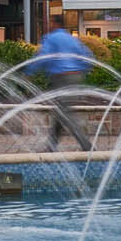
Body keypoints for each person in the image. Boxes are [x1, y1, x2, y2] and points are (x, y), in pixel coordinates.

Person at [20, 19, 94, 151]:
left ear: (56, 24)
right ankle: (51, 146)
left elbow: (43, 56)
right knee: (60, 111)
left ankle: (86, 146)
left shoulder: (51, 38)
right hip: (75, 77)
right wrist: (81, 71)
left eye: (50, 23)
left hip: (61, 78)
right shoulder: (71, 38)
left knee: (64, 113)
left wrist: (29, 72)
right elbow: (87, 56)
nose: (48, 26)